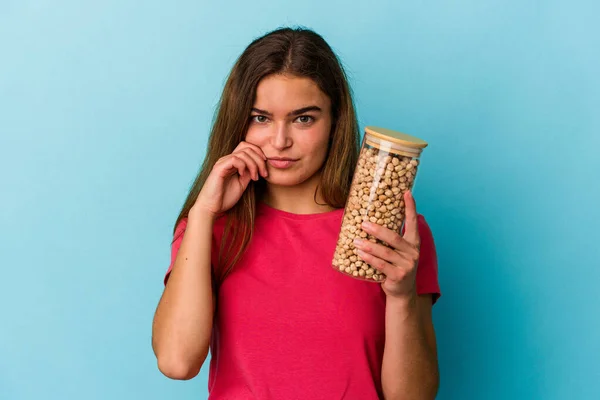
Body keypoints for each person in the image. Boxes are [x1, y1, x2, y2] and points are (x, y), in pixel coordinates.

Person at [151, 26, 441, 400]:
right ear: (238, 121)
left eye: (304, 118)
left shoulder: (392, 236)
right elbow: (177, 362)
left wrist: (401, 297)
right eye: (261, 118)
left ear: (335, 122)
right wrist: (204, 212)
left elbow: (412, 397)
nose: (280, 141)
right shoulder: (211, 230)